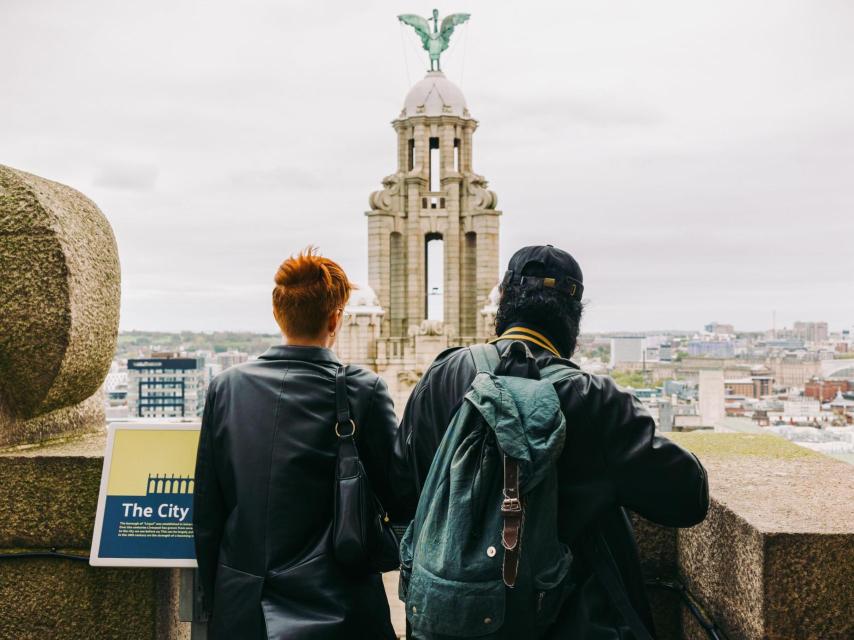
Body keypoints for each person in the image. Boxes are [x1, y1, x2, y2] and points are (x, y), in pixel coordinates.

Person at [394, 245, 709, 639]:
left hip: (451, 620)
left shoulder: (443, 375)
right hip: (569, 621)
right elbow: (687, 497)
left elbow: (401, 491)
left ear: (504, 304)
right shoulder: (593, 399)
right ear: (573, 321)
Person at [193, 248, 400, 639]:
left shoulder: (227, 388)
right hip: (341, 605)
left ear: (277, 313)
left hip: (246, 606)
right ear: (336, 318)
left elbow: (207, 513)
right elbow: (397, 495)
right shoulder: (363, 389)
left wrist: (219, 597)